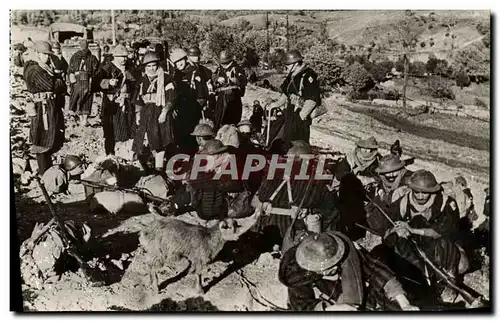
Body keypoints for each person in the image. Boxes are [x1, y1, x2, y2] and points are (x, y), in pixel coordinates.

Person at [279, 231, 419, 311]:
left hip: (363, 297)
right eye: (326, 269)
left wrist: (404, 303)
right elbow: (302, 305)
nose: (333, 269)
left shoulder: (346, 252)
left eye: (334, 263)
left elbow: (377, 271)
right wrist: (329, 309)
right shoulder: (297, 273)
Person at [381, 170, 468, 293]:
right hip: (414, 248)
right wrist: (397, 230)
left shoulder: (445, 203)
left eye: (425, 192)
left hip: (442, 248)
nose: (420, 196)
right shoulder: (402, 203)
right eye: (417, 192)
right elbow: (387, 228)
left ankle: (447, 284)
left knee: (462, 265)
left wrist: (412, 230)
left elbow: (443, 232)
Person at [252, 141, 334, 250]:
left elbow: (261, 196)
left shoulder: (273, 173)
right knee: (332, 210)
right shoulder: (312, 181)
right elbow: (322, 202)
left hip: (268, 228)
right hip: (292, 231)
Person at [23, 41, 67, 175]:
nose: (47, 58)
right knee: (43, 138)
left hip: (47, 106)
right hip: (43, 107)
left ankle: (47, 170)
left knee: (48, 136)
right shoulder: (36, 70)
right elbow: (52, 85)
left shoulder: (41, 67)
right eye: (44, 55)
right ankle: (44, 172)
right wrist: (59, 81)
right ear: (36, 53)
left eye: (48, 55)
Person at [266, 50, 321, 150]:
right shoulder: (291, 75)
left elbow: (312, 99)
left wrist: (302, 116)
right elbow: (286, 94)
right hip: (290, 113)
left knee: (299, 144)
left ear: (296, 63)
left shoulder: (308, 75)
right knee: (285, 140)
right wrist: (276, 104)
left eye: (287, 64)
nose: (286, 67)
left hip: (301, 115)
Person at [132, 52, 176, 173]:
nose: (152, 68)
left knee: (160, 141)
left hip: (160, 112)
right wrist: (137, 115)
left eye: (154, 65)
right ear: (145, 67)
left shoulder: (166, 78)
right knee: (143, 140)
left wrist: (164, 112)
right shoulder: (142, 80)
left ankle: (159, 168)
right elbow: (138, 100)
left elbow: (171, 98)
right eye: (148, 66)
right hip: (146, 113)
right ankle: (145, 168)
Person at [97, 44, 137, 155]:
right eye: (121, 57)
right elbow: (97, 83)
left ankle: (125, 153)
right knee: (111, 131)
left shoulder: (130, 69)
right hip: (111, 104)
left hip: (127, 104)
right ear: (115, 57)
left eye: (125, 57)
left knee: (127, 128)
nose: (124, 59)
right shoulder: (106, 68)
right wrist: (108, 82)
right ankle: (110, 155)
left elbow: (135, 86)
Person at [171, 48, 204, 154]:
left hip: (191, 106)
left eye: (180, 61)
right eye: (176, 62)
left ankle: (190, 154)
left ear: (185, 59)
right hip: (179, 106)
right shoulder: (176, 74)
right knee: (179, 132)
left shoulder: (194, 72)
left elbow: (200, 92)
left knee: (190, 132)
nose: (178, 64)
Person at [68, 39, 100, 126]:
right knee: (87, 99)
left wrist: (72, 77)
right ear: (87, 46)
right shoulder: (92, 58)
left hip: (77, 80)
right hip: (87, 80)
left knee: (78, 98)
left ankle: (81, 118)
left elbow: (70, 69)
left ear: (79, 46)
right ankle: (84, 120)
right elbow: (97, 70)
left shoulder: (74, 56)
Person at [212, 50, 247, 131]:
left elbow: (243, 82)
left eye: (225, 63)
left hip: (233, 97)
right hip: (221, 98)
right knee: (219, 119)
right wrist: (217, 79)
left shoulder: (238, 69)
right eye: (222, 63)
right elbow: (213, 80)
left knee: (232, 120)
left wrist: (236, 80)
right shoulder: (219, 69)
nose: (224, 65)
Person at [187, 46, 214, 120]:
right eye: (195, 56)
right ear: (189, 56)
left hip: (202, 97)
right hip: (192, 98)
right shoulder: (187, 69)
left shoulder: (201, 68)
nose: (197, 57)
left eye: (198, 55)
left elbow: (209, 73)